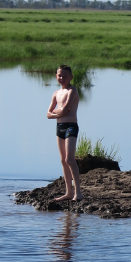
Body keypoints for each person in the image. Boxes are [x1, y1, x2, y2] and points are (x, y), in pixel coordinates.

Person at [47, 64, 83, 202]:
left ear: (71, 77)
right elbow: (48, 114)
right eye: (59, 75)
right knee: (63, 160)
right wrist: (58, 112)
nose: (61, 78)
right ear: (56, 76)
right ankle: (68, 192)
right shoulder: (56, 93)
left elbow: (64, 110)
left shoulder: (72, 91)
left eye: (65, 76)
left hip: (71, 126)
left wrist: (57, 111)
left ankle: (78, 192)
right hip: (59, 127)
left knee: (70, 159)